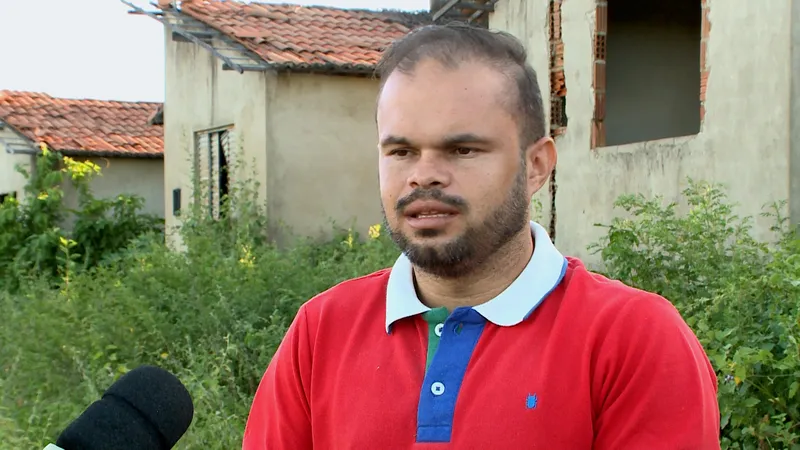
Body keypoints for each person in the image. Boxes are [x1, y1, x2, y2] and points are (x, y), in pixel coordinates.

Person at [242, 22, 721, 449]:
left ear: (536, 166)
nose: (424, 176)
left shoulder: (634, 339)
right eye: (401, 151)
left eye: (463, 149)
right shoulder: (321, 331)